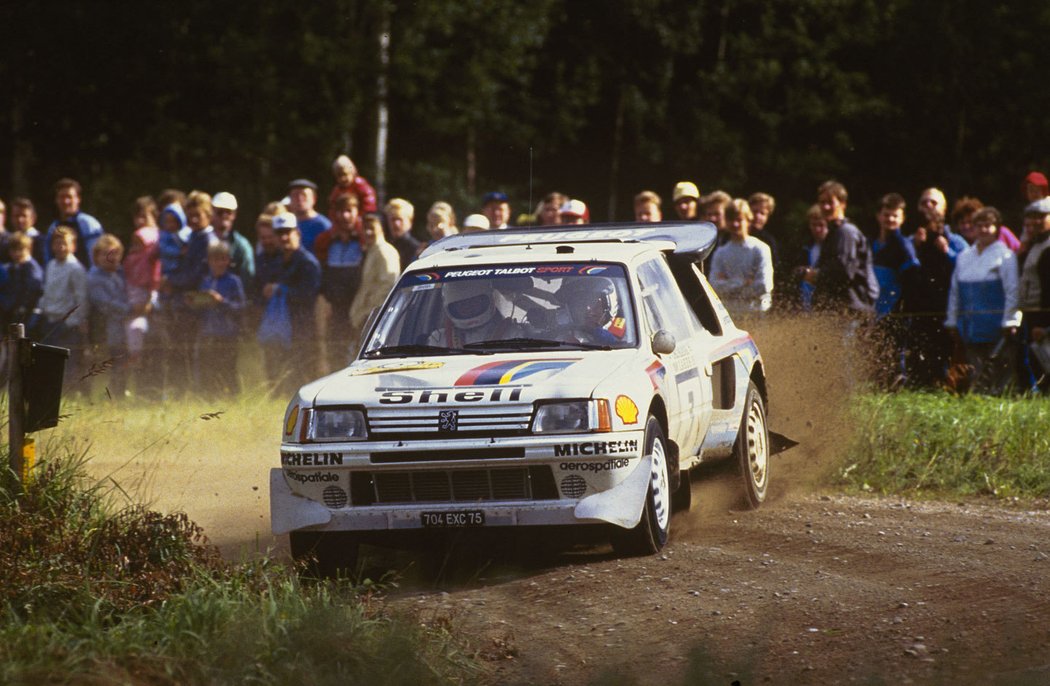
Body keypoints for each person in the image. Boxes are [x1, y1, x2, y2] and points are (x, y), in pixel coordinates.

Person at [945, 207, 1020, 394]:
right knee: (976, 371)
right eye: (979, 226)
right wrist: (952, 320)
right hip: (971, 326)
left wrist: (1010, 320)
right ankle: (979, 402)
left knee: (1001, 369)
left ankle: (1004, 401)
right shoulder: (964, 257)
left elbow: (1012, 290)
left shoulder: (1005, 255)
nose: (984, 230)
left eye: (988, 225)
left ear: (997, 228)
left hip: (997, 326)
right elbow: (955, 292)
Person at [262, 212, 322, 393]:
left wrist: (280, 290)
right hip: (280, 328)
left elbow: (308, 296)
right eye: (280, 234)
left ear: (297, 233)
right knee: (277, 375)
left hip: (301, 328)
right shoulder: (277, 261)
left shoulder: (307, 263)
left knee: (299, 376)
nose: (284, 238)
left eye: (288, 232)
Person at [809, 181, 878, 316]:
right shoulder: (833, 232)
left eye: (830, 202)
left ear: (843, 204)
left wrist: (814, 275)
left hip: (853, 310)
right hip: (841, 310)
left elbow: (843, 272)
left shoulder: (845, 232)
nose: (826, 206)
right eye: (822, 202)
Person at [315, 193, 364, 372]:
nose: (345, 216)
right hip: (334, 308)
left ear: (357, 212)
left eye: (349, 211)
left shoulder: (363, 240)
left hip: (356, 306)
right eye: (341, 211)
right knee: (335, 353)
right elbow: (323, 273)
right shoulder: (327, 241)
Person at [39, 226, 89, 385]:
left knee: (67, 361)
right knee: (48, 359)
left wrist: (73, 321)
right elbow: (47, 291)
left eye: (65, 244)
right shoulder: (51, 265)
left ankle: (69, 391)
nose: (61, 247)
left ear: (73, 246)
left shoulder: (75, 268)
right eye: (57, 243)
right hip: (50, 319)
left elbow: (81, 298)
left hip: (67, 323)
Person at [708, 199, 774, 315]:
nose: (735, 224)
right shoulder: (720, 252)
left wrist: (728, 283)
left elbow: (764, 285)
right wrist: (744, 283)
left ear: (748, 220)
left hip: (757, 313)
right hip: (731, 315)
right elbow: (714, 286)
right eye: (731, 220)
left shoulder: (760, 249)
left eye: (739, 219)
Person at [348, 214, 401, 357]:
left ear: (381, 229)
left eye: (372, 228)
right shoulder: (371, 251)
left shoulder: (385, 252)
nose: (368, 232)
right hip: (364, 316)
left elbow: (388, 285)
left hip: (374, 317)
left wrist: (369, 313)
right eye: (365, 228)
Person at [197, 241, 246, 395]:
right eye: (214, 259)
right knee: (209, 368)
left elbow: (241, 307)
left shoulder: (233, 281)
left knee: (228, 368)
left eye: (222, 259)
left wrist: (221, 301)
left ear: (228, 261)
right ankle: (210, 398)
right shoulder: (206, 281)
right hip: (208, 332)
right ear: (209, 261)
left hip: (227, 333)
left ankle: (233, 398)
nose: (218, 263)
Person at [87, 234, 130, 398]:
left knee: (124, 360)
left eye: (115, 253)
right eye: (105, 254)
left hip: (124, 326)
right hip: (106, 328)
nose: (111, 257)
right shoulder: (94, 277)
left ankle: (120, 391)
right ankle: (110, 394)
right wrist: (131, 309)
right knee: (112, 361)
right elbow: (105, 304)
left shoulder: (121, 273)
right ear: (96, 256)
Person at [124, 197, 162, 377]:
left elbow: (156, 273)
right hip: (135, 295)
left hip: (153, 296)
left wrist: (150, 299)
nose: (139, 222)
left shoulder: (155, 239)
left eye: (144, 216)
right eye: (136, 217)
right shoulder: (136, 244)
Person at [1017, 198, 1050, 392]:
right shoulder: (1035, 245)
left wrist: (1044, 326)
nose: (1036, 222)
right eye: (1032, 218)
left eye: (1041, 217)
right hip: (1032, 313)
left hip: (1043, 317)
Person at [428, 279, 522, 346]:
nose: (468, 308)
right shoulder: (438, 339)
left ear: (489, 300)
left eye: (474, 303)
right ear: (451, 308)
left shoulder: (513, 334)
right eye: (462, 305)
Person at [45, 178, 103, 266]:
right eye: (62, 197)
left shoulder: (88, 224)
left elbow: (97, 258)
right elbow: (48, 259)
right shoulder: (53, 227)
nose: (66, 201)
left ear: (78, 199)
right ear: (56, 200)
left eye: (69, 197)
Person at [558, 277, 625, 346]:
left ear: (608, 304)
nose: (588, 309)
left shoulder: (630, 334)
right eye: (580, 303)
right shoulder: (559, 343)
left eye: (594, 301)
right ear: (570, 309)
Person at [211, 191, 256, 294]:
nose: (224, 215)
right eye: (220, 212)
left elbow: (247, 277)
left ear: (234, 215)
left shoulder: (242, 245)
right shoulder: (204, 240)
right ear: (212, 212)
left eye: (228, 212)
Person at [2, 233, 44, 330]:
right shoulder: (13, 267)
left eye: (20, 250)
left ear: (29, 250)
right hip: (16, 311)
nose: (16, 253)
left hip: (29, 312)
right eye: (13, 250)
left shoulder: (31, 268)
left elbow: (34, 292)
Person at [793, 204, 828, 311]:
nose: (817, 229)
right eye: (814, 225)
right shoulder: (804, 245)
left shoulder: (833, 247)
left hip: (822, 300)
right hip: (804, 298)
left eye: (821, 225)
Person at [287, 179, 332, 254]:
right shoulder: (287, 225)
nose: (299, 199)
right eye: (295, 195)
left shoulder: (323, 226)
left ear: (314, 199)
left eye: (304, 195)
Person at [385, 198, 420, 270]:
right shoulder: (386, 245)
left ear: (410, 221)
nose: (396, 224)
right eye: (393, 219)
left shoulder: (415, 248)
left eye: (400, 219)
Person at [10, 197, 45, 264]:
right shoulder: (9, 240)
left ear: (33, 218)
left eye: (24, 216)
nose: (20, 220)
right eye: (16, 216)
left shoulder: (41, 241)